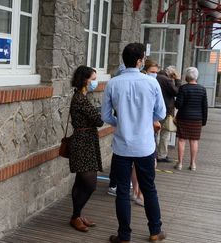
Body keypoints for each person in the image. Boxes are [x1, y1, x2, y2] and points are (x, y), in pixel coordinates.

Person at [102, 43, 167, 243]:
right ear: (140, 61)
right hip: (145, 145)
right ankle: (155, 231)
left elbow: (105, 115)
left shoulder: (113, 83)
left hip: (122, 146)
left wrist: (120, 122)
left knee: (122, 190)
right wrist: (147, 121)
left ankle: (124, 235)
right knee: (149, 188)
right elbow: (161, 113)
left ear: (124, 59)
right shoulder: (151, 83)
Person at [68, 65, 104, 232]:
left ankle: (77, 215)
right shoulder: (80, 99)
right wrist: (100, 113)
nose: (95, 83)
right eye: (93, 79)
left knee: (81, 183)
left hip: (86, 141)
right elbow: (98, 120)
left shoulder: (81, 96)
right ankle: (75, 216)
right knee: (90, 184)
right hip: (83, 143)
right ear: (84, 80)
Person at [174, 67, 208, 171]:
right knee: (194, 141)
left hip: (183, 118)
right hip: (197, 119)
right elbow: (205, 107)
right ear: (196, 77)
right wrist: (204, 121)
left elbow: (178, 105)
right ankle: (193, 164)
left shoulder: (183, 88)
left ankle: (179, 163)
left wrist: (175, 102)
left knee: (181, 140)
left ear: (186, 77)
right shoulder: (202, 89)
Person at [156, 66, 182, 162]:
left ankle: (156, 154)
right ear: (172, 73)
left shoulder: (158, 76)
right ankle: (161, 155)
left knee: (155, 133)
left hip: (158, 109)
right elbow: (177, 92)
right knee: (164, 134)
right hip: (166, 110)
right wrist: (178, 80)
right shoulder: (167, 80)